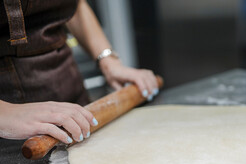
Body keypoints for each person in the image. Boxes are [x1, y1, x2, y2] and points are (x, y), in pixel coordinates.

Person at [0, 0, 159, 144]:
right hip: (9, 124)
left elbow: (76, 4)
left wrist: (109, 62)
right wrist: (5, 114)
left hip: (72, 96)